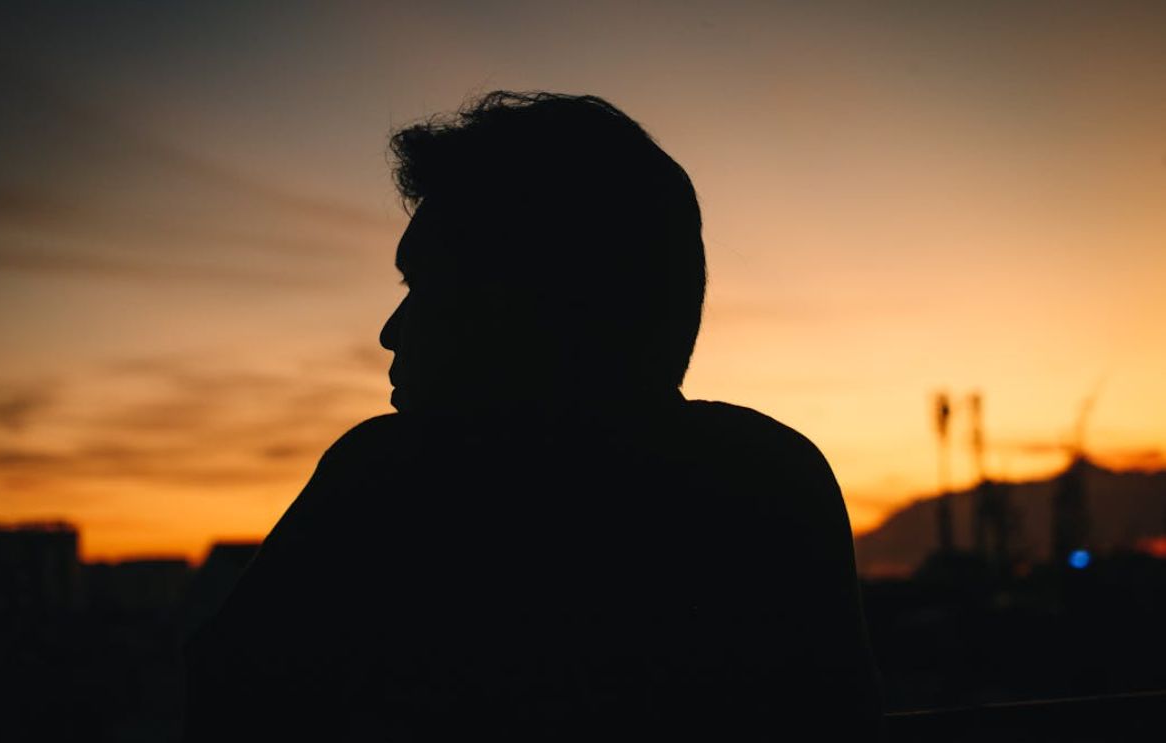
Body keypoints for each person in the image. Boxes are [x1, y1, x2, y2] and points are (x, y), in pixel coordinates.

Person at [183, 91, 881, 741]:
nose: (391, 332)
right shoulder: (768, 480)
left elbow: (221, 707)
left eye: (426, 286)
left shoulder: (391, 477)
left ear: (527, 306)